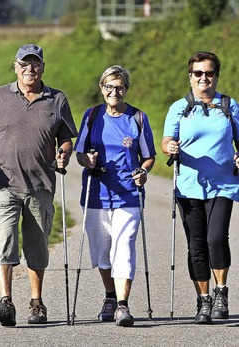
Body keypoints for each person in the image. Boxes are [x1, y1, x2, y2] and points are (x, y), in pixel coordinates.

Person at [0, 44, 77, 327]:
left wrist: (64, 152)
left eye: (35, 64)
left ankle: (36, 302)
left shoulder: (56, 99)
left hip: (41, 185)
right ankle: (6, 301)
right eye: (24, 64)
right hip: (4, 184)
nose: (30, 69)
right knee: (3, 242)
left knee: (37, 247)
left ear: (43, 66)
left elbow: (66, 138)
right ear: (15, 66)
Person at [161, 51, 239, 324]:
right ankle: (203, 299)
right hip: (188, 186)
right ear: (190, 77)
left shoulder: (229, 105)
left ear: (216, 76)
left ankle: (221, 291)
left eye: (209, 73)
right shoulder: (179, 108)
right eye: (198, 73)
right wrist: (170, 147)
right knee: (196, 245)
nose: (204, 78)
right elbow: (165, 141)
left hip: (223, 183)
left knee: (216, 238)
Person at [74, 65, 156, 327]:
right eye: (109, 86)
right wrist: (87, 160)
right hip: (96, 194)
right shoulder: (91, 116)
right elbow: (79, 153)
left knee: (125, 248)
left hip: (128, 196)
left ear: (126, 89)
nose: (114, 92)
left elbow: (149, 156)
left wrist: (143, 172)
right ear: (102, 88)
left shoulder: (137, 118)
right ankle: (109, 295)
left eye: (119, 87)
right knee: (102, 252)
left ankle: (122, 305)